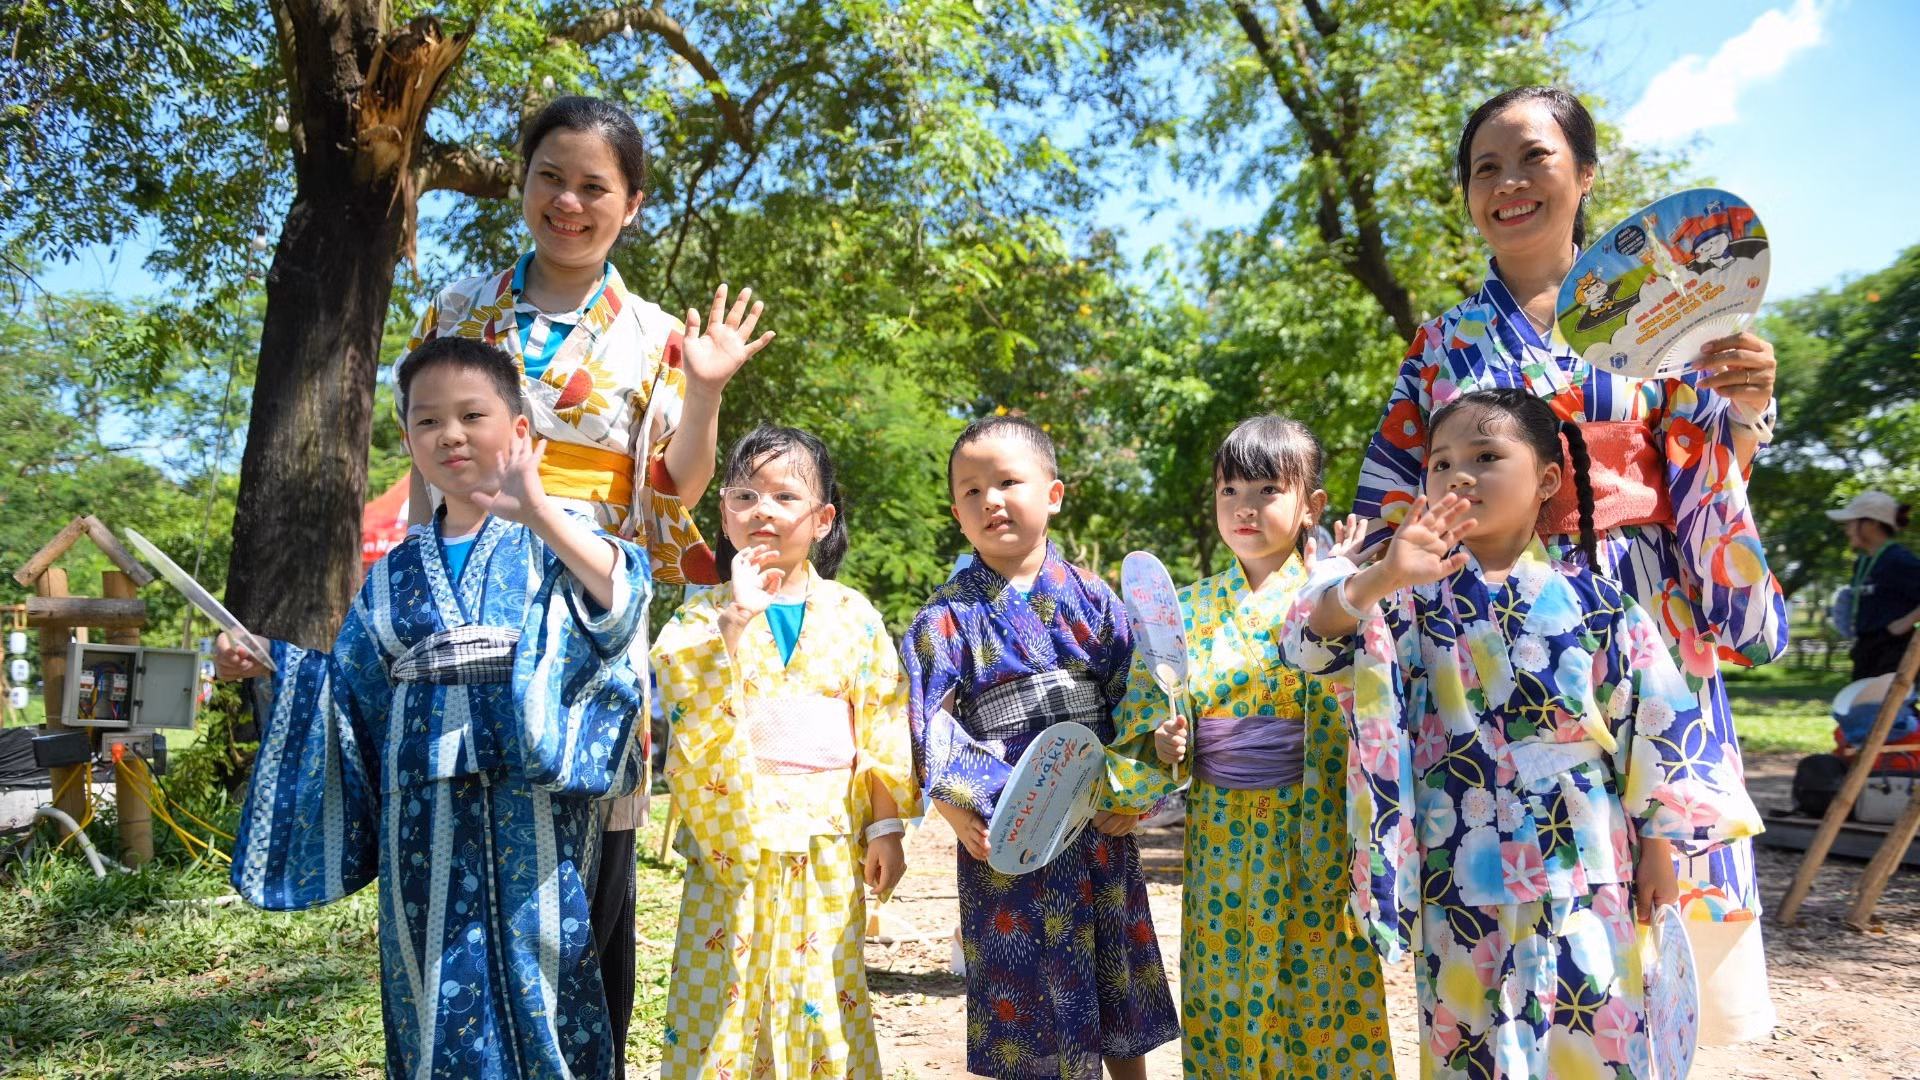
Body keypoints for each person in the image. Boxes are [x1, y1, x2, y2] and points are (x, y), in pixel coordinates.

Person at [1353, 85, 1788, 1043]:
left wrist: (1743, 409)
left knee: (1655, 919)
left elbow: (1704, 481)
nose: (1509, 183)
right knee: (1502, 913)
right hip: (1491, 642)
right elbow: (1387, 504)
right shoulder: (1444, 344)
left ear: (1586, 173)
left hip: (1638, 618)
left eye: (1534, 158)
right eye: (1485, 168)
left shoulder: (1669, 319)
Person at [400, 95, 773, 1074]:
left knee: (587, 896)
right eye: (549, 178)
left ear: (634, 205)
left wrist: (705, 389)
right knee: (461, 875)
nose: (568, 202)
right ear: (521, 185)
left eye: (593, 186)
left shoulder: (655, 335)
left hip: (589, 633)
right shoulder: (456, 310)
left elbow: (675, 488)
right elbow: (423, 471)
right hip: (468, 617)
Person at [1290, 387, 1762, 1078]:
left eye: (1486, 456)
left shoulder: (1599, 602)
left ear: (1546, 479)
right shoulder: (1401, 598)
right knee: (1469, 1044)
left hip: (1587, 861)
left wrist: (1657, 849)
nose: (1459, 475)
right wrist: (1380, 576)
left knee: (1597, 1032)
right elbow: (1307, 645)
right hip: (1459, 861)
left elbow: (1650, 728)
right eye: (1440, 462)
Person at [220, 338, 650, 1078]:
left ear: (518, 430)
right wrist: (272, 663)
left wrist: (540, 510)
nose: (449, 434)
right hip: (421, 817)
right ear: (409, 439)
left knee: (546, 976)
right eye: (426, 421)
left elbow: (622, 601)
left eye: (471, 414)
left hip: (533, 807)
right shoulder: (397, 572)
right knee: (430, 989)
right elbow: (351, 690)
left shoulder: (555, 532)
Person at [1110, 415, 1395, 1079]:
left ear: (1310, 507)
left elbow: (1377, 705)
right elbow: (1146, 718)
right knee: (1227, 994)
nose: (1244, 506)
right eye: (1229, 489)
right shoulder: (1184, 609)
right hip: (1222, 836)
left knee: (1320, 992)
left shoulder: (1337, 598)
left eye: (1267, 489)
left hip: (1318, 827)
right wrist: (1165, 745)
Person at [901, 415, 1179, 1080]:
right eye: (970, 491)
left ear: (1052, 494)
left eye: (1007, 482)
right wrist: (954, 807)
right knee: (1023, 993)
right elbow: (923, 721)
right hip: (1010, 824)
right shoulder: (944, 616)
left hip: (1097, 818)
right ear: (956, 514)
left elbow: (1138, 697)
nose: (989, 499)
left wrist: (1135, 791)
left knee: (1116, 987)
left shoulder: (1095, 599)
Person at [651, 426, 918, 1078]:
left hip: (827, 836)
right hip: (733, 837)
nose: (761, 510)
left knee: (823, 996)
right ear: (722, 514)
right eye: (743, 495)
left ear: (822, 518)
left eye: (782, 495)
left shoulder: (854, 615)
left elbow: (881, 724)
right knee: (723, 991)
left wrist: (886, 827)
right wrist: (733, 624)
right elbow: (686, 708)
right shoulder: (698, 620)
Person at [1828, 490, 1920, 680]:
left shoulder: (1897, 559)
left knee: (1890, 710)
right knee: (1861, 709)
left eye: (1851, 523)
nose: (1847, 530)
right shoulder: (1862, 562)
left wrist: (1903, 624)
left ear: (1872, 523)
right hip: (1867, 651)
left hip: (1893, 653)